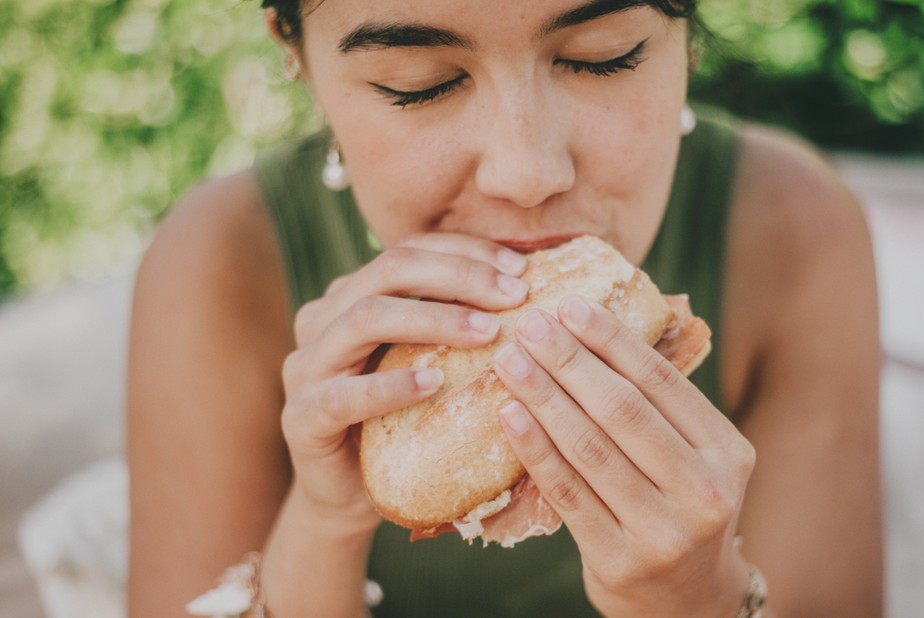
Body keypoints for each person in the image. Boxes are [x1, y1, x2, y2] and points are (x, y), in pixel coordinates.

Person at [126, 0, 883, 615]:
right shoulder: (218, 266)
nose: (528, 173)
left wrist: (700, 602)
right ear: (298, 59)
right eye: (417, 82)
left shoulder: (792, 229)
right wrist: (324, 527)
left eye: (603, 55)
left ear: (685, 38)